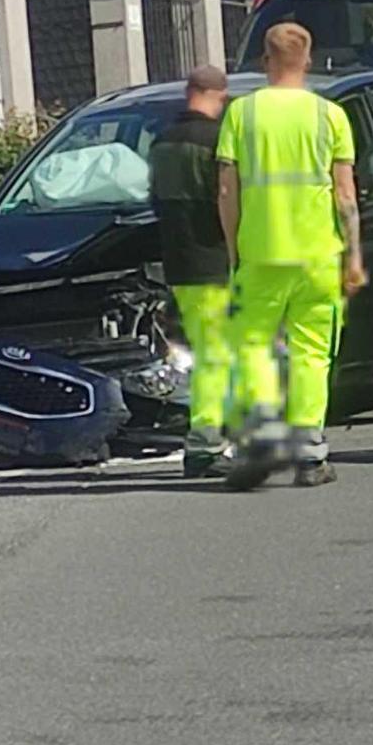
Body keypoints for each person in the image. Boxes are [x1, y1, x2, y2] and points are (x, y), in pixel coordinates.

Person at [215, 20, 364, 487]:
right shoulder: (329, 115)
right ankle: (309, 455)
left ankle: (258, 443)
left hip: (260, 253)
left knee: (254, 350)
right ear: (309, 61)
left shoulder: (241, 114)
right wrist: (354, 255)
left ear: (264, 61)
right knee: (312, 354)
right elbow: (345, 197)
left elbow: (226, 190)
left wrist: (232, 247)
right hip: (318, 254)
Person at [146, 61, 238, 479]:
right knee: (215, 356)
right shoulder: (216, 139)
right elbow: (225, 201)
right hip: (212, 260)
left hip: (178, 263)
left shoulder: (161, 142)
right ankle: (204, 443)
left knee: (207, 351)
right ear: (218, 95)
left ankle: (212, 433)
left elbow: (155, 204)